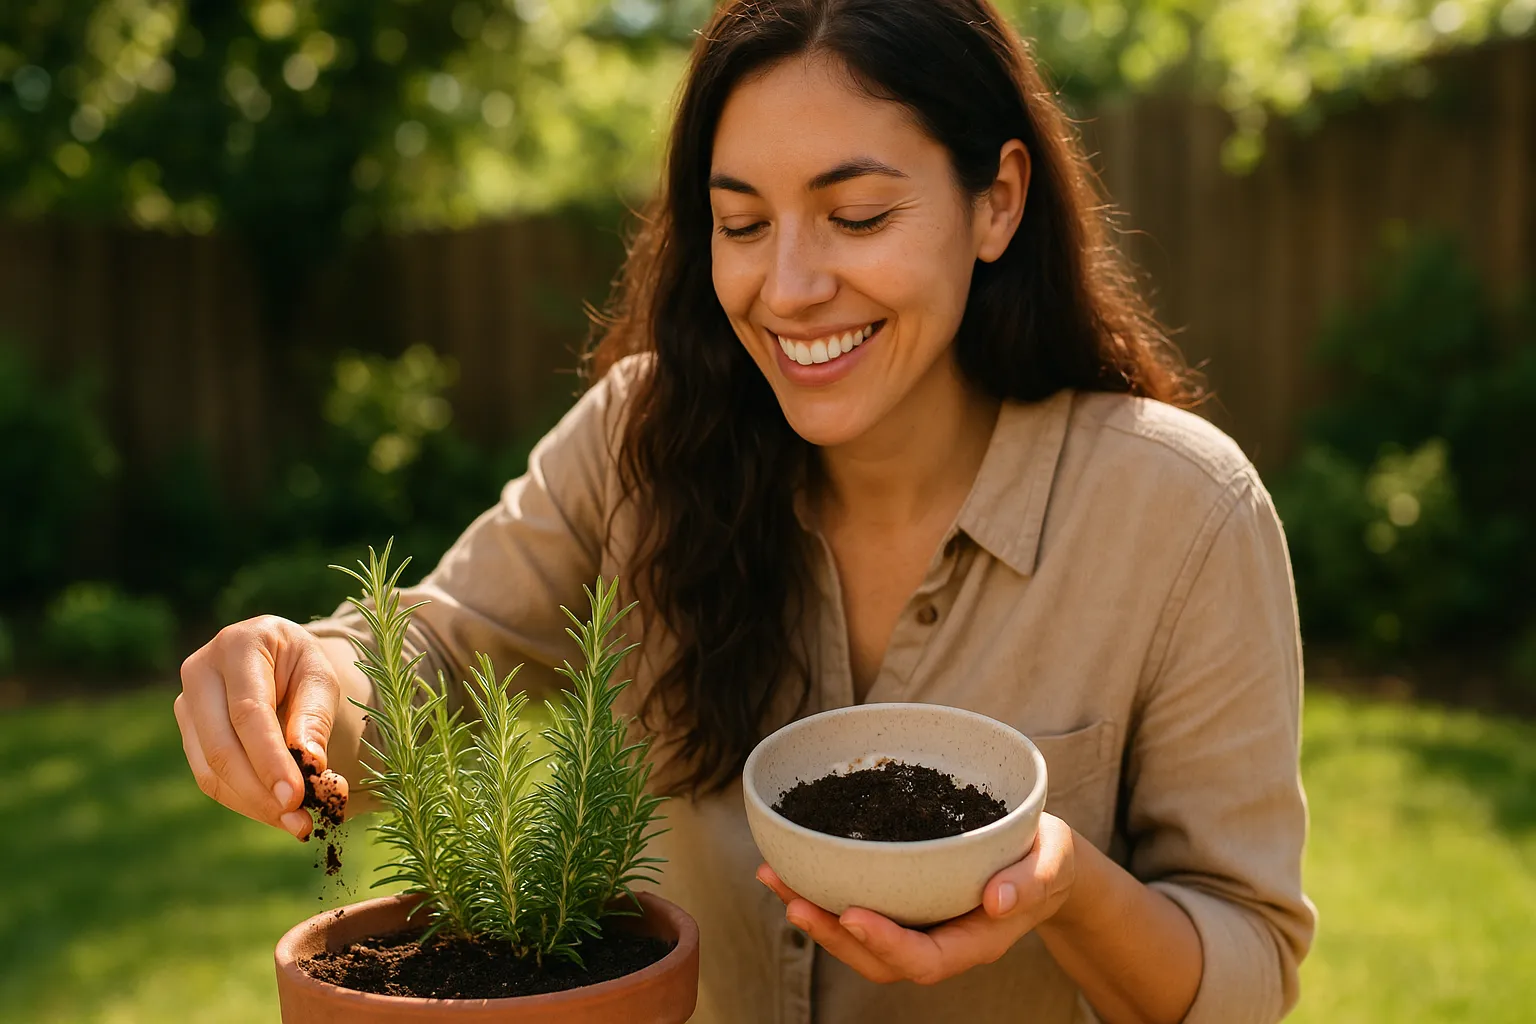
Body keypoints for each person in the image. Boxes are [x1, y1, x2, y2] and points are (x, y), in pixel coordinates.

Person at [174, 1, 1315, 1021]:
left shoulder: (1181, 515)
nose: (790, 287)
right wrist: (305, 680)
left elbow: (1246, 964)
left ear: (997, 201)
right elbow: (440, 642)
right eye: (742, 222)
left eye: (858, 216)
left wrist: (1057, 884)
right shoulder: (645, 437)